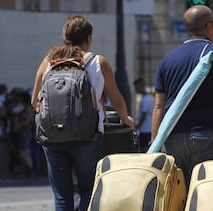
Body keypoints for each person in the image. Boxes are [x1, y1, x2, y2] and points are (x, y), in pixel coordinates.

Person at [31, 16, 134, 211]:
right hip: (87, 136)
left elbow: (34, 100)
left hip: (52, 137)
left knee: (62, 195)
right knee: (88, 190)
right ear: (89, 38)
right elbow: (116, 97)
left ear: (65, 37)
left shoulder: (49, 61)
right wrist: (125, 118)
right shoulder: (98, 61)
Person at [151, 5, 213, 188]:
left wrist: (154, 144)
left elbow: (158, 106)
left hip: (174, 138)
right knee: (204, 192)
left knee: (181, 194)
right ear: (208, 27)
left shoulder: (167, 61)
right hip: (208, 135)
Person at [134, 78, 154, 152]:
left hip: (144, 130)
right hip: (149, 129)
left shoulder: (145, 99)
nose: (136, 89)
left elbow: (144, 115)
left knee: (143, 149)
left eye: (137, 87)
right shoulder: (150, 98)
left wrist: (137, 126)